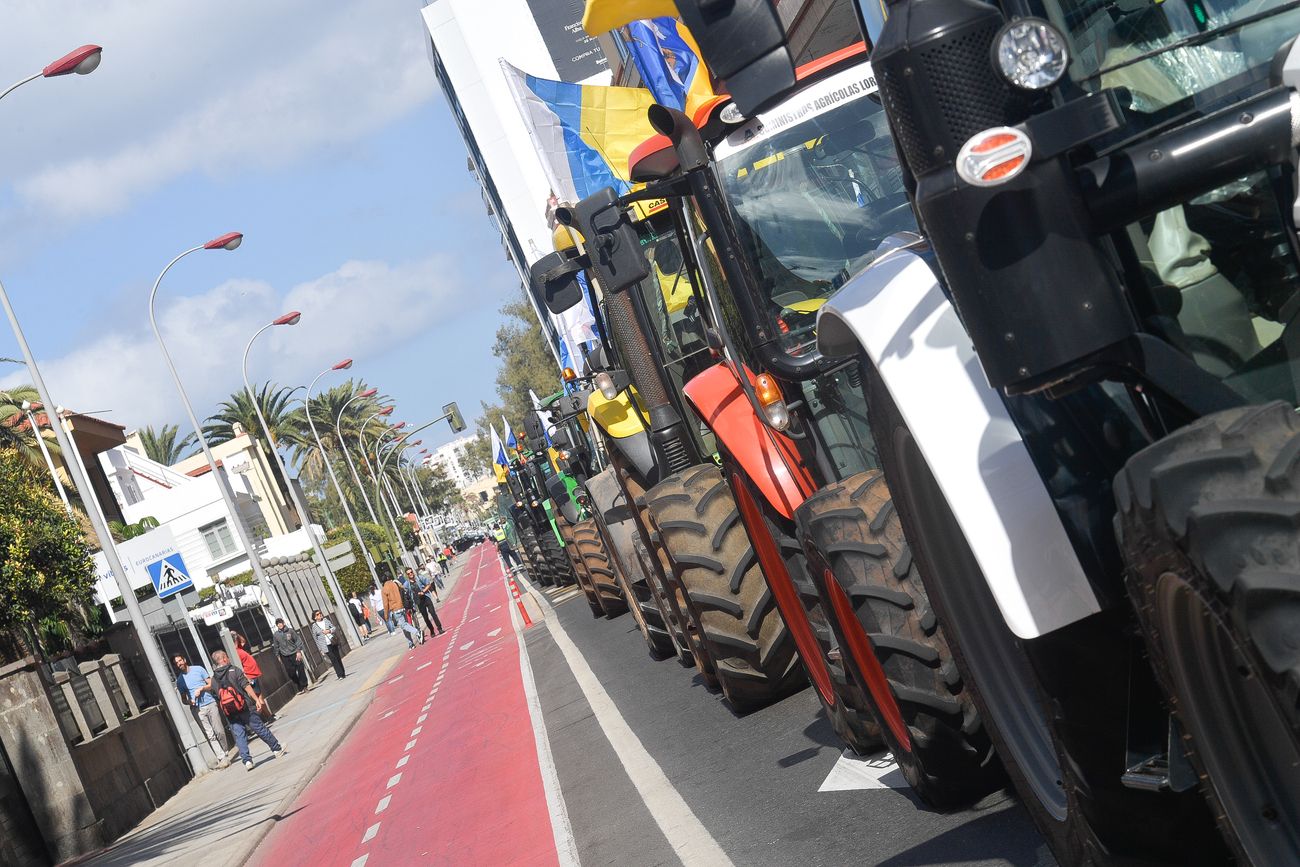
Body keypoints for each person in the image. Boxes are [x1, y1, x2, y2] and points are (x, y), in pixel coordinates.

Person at [211, 649, 285, 771]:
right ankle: (277, 748)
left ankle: (247, 761)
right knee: (259, 728)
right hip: (245, 707)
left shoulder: (214, 679)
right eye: (227, 656)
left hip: (231, 713)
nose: (228, 658)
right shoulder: (234, 670)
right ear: (224, 658)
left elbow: (217, 696)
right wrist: (257, 699)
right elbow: (246, 685)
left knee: (240, 736)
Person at [174, 654, 230, 769]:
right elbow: (183, 699)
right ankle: (221, 757)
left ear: (184, 659)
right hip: (197, 709)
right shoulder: (180, 681)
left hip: (210, 703)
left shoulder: (198, 669)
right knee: (210, 734)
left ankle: (225, 751)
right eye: (177, 663)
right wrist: (190, 702)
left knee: (219, 731)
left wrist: (202, 688)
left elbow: (211, 684)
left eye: (180, 660)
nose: (179, 663)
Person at [382, 575, 425, 648]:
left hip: (395, 609)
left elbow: (385, 604)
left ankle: (418, 632)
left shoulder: (384, 589)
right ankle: (410, 643)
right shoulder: (395, 584)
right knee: (405, 625)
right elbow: (403, 591)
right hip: (402, 607)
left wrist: (386, 615)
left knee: (403, 625)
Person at [271, 618, 308, 693]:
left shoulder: (290, 631)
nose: (279, 624)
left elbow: (297, 640)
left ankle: (304, 686)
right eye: (278, 623)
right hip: (284, 656)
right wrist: (278, 656)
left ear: (283, 623)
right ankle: (298, 684)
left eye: (280, 623)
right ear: (277, 625)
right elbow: (276, 646)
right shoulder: (276, 635)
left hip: (294, 653)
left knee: (300, 669)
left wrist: (298, 651)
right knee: (291, 672)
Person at [410, 567, 445, 637]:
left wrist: (423, 591)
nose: (410, 574)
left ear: (413, 572)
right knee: (425, 617)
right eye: (408, 573)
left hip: (426, 597)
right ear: (407, 575)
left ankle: (440, 628)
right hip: (419, 601)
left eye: (411, 572)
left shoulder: (419, 578)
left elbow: (428, 584)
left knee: (433, 613)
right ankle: (432, 630)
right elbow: (406, 592)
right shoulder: (407, 584)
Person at [312, 609, 346, 680]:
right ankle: (339, 675)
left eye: (320, 613)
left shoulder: (326, 620)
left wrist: (329, 631)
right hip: (325, 645)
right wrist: (320, 649)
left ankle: (343, 672)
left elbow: (334, 628)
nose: (320, 615)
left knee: (337, 657)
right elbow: (316, 639)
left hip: (333, 641)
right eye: (318, 614)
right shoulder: (314, 626)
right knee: (333, 659)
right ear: (315, 617)